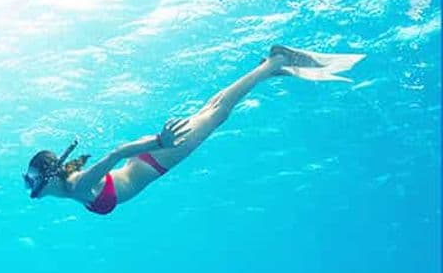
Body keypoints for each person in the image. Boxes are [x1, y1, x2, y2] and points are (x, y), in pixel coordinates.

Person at [22, 45, 365, 215]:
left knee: (218, 113)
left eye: (33, 180)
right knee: (211, 110)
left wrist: (159, 141)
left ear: (49, 177)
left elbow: (115, 153)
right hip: (149, 159)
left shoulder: (77, 184)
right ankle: (268, 68)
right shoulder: (71, 187)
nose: (33, 188)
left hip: (156, 159)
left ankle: (274, 63)